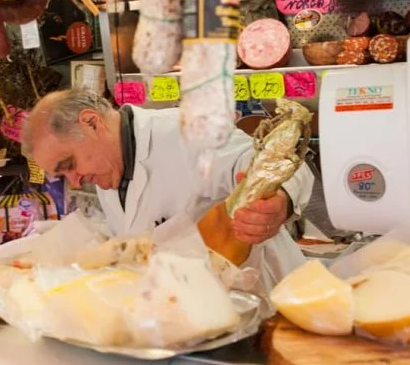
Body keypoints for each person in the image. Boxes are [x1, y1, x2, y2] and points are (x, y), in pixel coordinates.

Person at [21, 89, 312, 288]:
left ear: (92, 123)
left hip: (263, 302)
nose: (74, 180)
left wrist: (281, 200)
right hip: (196, 313)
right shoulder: (106, 169)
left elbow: (274, 163)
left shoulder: (187, 134)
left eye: (69, 164)